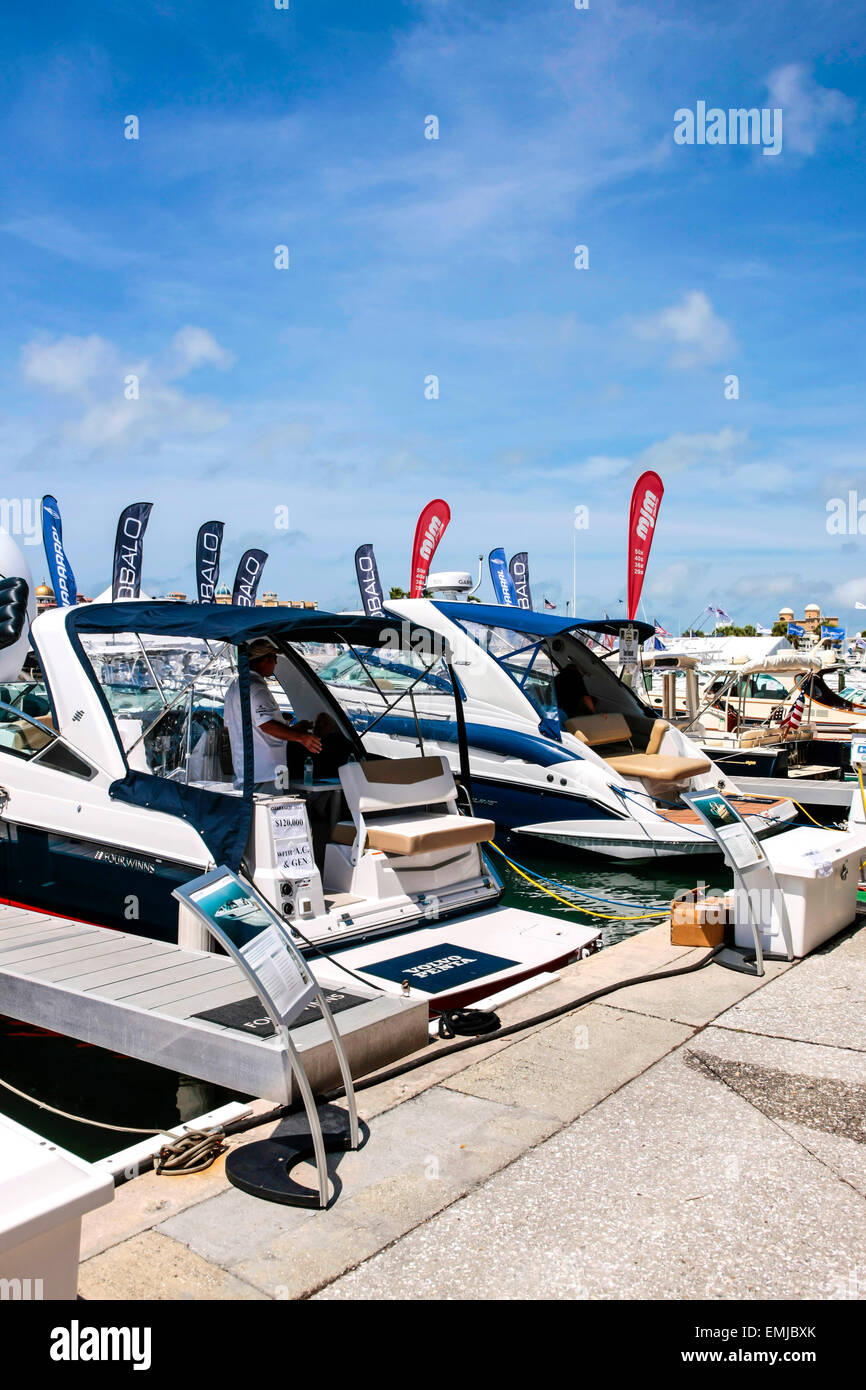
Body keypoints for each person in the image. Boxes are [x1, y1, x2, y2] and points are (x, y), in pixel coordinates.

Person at [224, 639, 323, 793]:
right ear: (266, 659)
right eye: (274, 659)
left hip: (250, 771)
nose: (276, 663)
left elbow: (244, 726)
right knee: (277, 812)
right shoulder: (256, 687)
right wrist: (301, 737)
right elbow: (266, 725)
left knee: (267, 811)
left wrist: (294, 729)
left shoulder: (235, 686)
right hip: (268, 773)